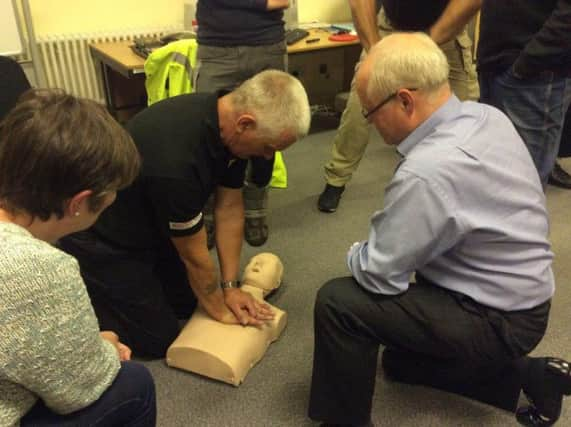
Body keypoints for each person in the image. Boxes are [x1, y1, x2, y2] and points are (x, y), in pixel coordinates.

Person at [308, 33, 571, 427]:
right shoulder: (487, 116)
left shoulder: (429, 172)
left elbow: (379, 274)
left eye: (370, 112)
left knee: (339, 302)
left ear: (405, 101)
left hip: (498, 317)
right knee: (399, 361)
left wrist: (356, 251)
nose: (370, 122)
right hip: (524, 298)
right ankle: (534, 377)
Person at [59, 70, 311, 359]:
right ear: (245, 124)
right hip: (104, 241)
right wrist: (219, 308)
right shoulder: (177, 160)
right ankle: (82, 290)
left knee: (186, 304)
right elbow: (193, 253)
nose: (268, 157)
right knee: (158, 340)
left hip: (156, 225)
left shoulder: (229, 129)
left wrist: (229, 287)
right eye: (269, 148)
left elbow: (229, 209)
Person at [0, 89, 156, 427]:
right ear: (78, 202)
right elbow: (78, 392)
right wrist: (106, 346)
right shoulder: (39, 267)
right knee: (134, 383)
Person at [317, 0, 481, 213]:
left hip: (446, 29)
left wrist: (426, 45)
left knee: (465, 112)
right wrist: (377, 52)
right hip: (390, 29)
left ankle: (458, 184)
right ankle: (336, 178)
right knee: (360, 107)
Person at [195, 0, 290, 247]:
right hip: (216, 49)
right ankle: (205, 214)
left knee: (268, 132)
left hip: (267, 46)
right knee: (209, 135)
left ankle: (255, 210)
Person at [477, 0, 571, 188]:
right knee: (494, 180)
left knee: (521, 188)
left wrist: (530, 62)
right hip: (496, 62)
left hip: (533, 75)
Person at [166, 252, 287, 386]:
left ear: (276, 283)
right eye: (253, 261)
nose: (256, 266)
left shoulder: (273, 315)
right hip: (181, 349)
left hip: (227, 365)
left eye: (266, 266)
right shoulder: (211, 296)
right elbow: (192, 256)